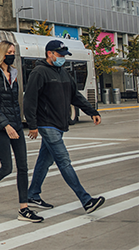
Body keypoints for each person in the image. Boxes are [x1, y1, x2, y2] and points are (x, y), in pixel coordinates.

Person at [24, 40, 105, 214]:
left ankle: (32, 195)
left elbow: (75, 96)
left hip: (60, 124)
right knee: (64, 161)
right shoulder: (39, 72)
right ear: (50, 54)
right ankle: (86, 200)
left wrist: (92, 111)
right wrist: (32, 125)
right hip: (47, 124)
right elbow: (30, 100)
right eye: (60, 55)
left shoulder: (64, 73)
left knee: (44, 161)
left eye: (64, 56)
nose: (63, 58)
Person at [0, 42, 43, 222]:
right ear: (0, 54)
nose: (11, 55)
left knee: (23, 167)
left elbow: (16, 102)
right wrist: (6, 125)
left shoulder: (13, 74)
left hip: (16, 125)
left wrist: (23, 123)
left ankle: (24, 208)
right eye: (8, 52)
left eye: (13, 52)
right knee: (6, 168)